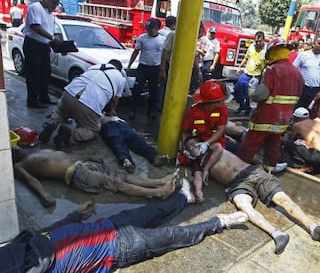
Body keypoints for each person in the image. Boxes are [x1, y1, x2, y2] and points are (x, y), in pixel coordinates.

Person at [0, 184, 248, 272]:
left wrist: (76, 213)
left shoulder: (24, 244)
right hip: (119, 247)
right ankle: (220, 222)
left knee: (155, 211)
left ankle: (184, 198)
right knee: (176, 235)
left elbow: (50, 229)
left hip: (109, 225)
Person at [184, 136, 320, 254]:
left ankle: (313, 227)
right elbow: (197, 178)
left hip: (253, 173)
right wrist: (198, 191)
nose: (192, 148)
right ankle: (277, 234)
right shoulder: (198, 165)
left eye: (194, 144)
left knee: (282, 199)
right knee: (244, 208)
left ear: (202, 143)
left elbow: (217, 152)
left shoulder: (213, 147)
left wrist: (207, 169)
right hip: (237, 185)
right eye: (189, 147)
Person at [11, 148, 178, 207]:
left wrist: (88, 157)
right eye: (11, 149)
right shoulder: (20, 166)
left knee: (123, 175)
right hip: (75, 174)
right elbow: (31, 181)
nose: (15, 147)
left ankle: (159, 182)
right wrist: (44, 196)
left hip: (82, 165)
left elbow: (67, 155)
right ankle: (158, 193)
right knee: (117, 183)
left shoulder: (36, 151)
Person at [238, 38, 303, 173]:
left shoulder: (272, 70)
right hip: (282, 120)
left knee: (250, 145)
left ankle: (238, 170)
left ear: (273, 52)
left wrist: (251, 90)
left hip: (265, 118)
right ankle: (269, 171)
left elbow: (260, 95)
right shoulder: (297, 73)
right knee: (273, 145)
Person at [38, 60, 126, 148]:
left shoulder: (95, 66)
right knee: (93, 129)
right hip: (89, 103)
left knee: (60, 112)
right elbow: (115, 100)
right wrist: (111, 111)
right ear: (119, 69)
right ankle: (71, 135)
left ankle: (51, 123)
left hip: (70, 92)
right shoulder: (120, 78)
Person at [23, 0, 62, 108]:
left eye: (56, 3)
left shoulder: (50, 15)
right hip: (33, 45)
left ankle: (44, 98)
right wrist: (52, 37)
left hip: (44, 47)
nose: (54, 6)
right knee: (34, 74)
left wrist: (60, 46)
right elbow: (35, 27)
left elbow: (52, 33)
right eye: (53, 2)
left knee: (45, 74)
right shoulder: (35, 8)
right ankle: (33, 101)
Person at [100, 112, 168, 173]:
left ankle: (154, 157)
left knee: (135, 140)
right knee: (116, 141)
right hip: (107, 124)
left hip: (119, 122)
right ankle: (126, 161)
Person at [127, 18, 165, 119]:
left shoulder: (162, 40)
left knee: (154, 92)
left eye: (151, 28)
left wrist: (162, 70)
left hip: (155, 68)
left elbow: (164, 56)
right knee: (137, 90)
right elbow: (136, 52)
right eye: (148, 28)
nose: (149, 31)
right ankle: (133, 110)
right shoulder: (142, 38)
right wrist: (129, 65)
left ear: (157, 28)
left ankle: (150, 111)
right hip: (143, 67)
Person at [280, 107, 320, 173]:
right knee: (301, 143)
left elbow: (289, 138)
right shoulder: (316, 123)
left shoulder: (297, 125)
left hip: (314, 155)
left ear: (296, 118)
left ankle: (300, 166)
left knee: (289, 143)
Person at [293, 35, 320, 110]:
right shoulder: (303, 55)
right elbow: (293, 69)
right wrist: (300, 79)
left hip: (315, 90)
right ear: (313, 44)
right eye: (319, 44)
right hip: (302, 88)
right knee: (297, 110)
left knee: (308, 112)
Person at [234, 31, 266, 114]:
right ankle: (241, 105)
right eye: (256, 41)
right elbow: (246, 58)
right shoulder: (251, 46)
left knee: (250, 94)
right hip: (246, 73)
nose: (258, 43)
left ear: (263, 40)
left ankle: (247, 110)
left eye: (260, 41)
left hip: (256, 76)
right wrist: (240, 67)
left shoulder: (266, 50)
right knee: (238, 89)